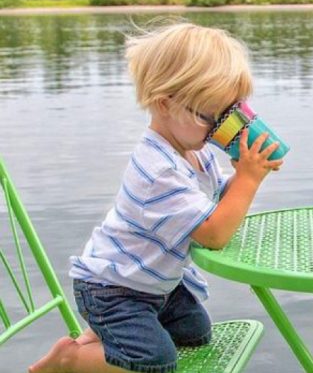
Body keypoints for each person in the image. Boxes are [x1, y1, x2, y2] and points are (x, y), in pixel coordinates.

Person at [29, 22, 283, 373]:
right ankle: (69, 361)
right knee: (156, 363)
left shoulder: (197, 151)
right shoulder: (157, 171)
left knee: (196, 335)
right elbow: (213, 233)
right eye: (214, 118)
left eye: (232, 115)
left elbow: (211, 206)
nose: (222, 131)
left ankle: (105, 338)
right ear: (166, 104)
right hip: (112, 288)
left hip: (154, 286)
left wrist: (242, 175)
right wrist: (249, 181)